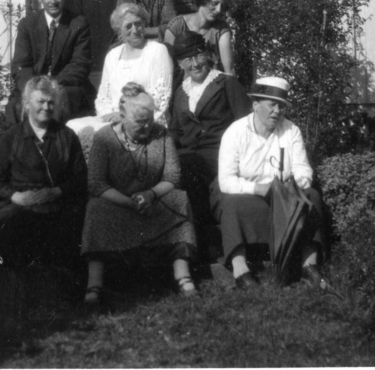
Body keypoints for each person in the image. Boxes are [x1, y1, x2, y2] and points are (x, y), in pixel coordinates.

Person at [81, 84, 198, 304]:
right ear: (122, 116)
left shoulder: (161, 135)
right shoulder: (104, 138)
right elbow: (96, 184)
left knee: (180, 199)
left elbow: (172, 177)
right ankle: (94, 286)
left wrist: (151, 195)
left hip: (154, 201)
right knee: (95, 207)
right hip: (118, 203)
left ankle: (183, 276)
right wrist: (128, 202)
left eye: (149, 120)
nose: (146, 127)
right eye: (139, 122)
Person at [212, 76, 327, 289]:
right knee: (230, 204)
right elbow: (226, 181)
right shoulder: (236, 132)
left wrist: (290, 185)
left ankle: (309, 266)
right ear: (255, 105)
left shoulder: (291, 130)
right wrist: (257, 188)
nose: (277, 111)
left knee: (312, 196)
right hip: (250, 195)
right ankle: (241, 270)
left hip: (283, 196)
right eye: (271, 105)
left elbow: (304, 171)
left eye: (281, 106)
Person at [0, 76, 88, 270]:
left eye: (51, 102)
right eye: (40, 101)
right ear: (27, 104)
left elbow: (81, 178)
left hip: (57, 204)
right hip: (20, 206)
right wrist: (16, 197)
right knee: (8, 222)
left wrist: (57, 191)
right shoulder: (11, 137)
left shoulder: (67, 136)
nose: (46, 107)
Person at [168, 31, 251, 260]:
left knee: (187, 168)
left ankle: (209, 241)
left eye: (198, 56)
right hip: (190, 155)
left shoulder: (226, 83)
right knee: (177, 168)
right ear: (179, 63)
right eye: (187, 59)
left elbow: (246, 122)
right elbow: (175, 130)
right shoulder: (180, 91)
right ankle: (193, 244)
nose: (194, 64)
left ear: (207, 55)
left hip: (221, 153)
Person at [68, 2, 174, 154]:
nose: (135, 30)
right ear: (119, 30)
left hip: (146, 119)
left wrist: (126, 115)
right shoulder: (112, 56)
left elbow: (161, 96)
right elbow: (103, 97)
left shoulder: (157, 50)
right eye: (128, 26)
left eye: (138, 24)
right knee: (72, 126)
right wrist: (107, 116)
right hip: (114, 119)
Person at [8, 0, 94, 124]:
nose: (53, 1)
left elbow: (80, 65)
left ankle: (59, 145)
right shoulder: (27, 24)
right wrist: (35, 88)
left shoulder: (78, 23)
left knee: (62, 103)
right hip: (33, 85)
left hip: (66, 86)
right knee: (15, 105)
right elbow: (21, 65)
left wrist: (51, 85)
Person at [163, 0, 235, 75]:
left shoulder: (221, 30)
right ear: (203, 0)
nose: (219, 10)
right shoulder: (177, 25)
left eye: (222, 6)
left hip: (211, 83)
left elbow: (229, 69)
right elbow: (166, 64)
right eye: (214, 3)